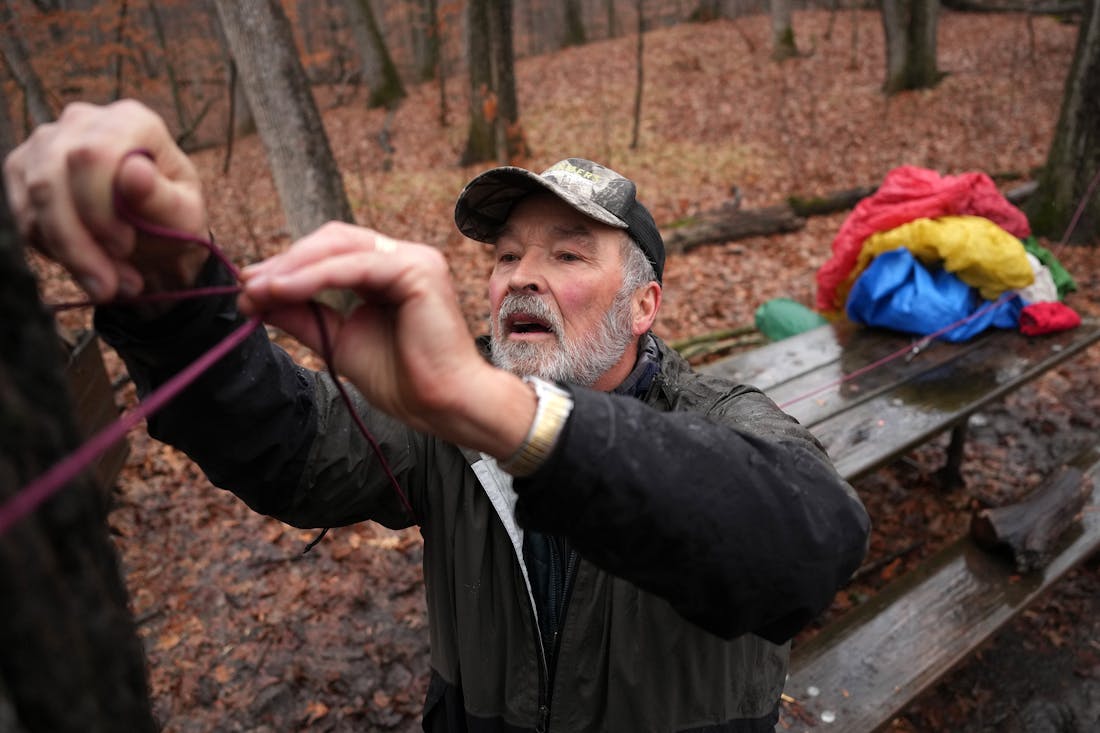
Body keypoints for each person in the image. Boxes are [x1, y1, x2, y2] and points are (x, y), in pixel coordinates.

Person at [6, 100, 871, 733]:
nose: (519, 277)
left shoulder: (725, 421)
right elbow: (289, 449)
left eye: (567, 253)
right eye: (504, 256)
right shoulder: (443, 422)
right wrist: (169, 295)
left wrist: (505, 413)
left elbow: (809, 548)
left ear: (644, 305)